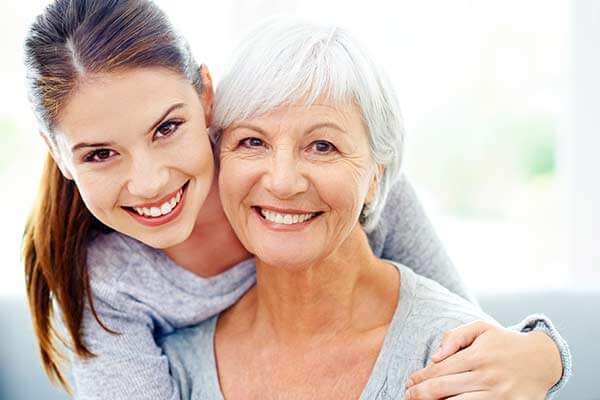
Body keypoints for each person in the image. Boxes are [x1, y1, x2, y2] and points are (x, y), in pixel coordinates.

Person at [22, 1, 570, 399]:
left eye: (166, 128)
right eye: (99, 154)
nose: (149, 183)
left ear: (205, 99)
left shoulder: (319, 184)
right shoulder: (106, 282)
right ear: (56, 152)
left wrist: (546, 355)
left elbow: (462, 336)